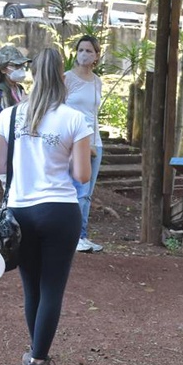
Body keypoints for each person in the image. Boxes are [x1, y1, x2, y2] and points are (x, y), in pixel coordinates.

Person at [0, 47, 93, 365]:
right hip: (60, 210)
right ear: (63, 76)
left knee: (31, 288)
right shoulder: (74, 118)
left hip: (20, 210)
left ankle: (38, 356)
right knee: (52, 289)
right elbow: (82, 175)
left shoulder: (12, 116)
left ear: (32, 76)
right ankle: (37, 362)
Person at [64, 35, 104, 253]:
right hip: (73, 141)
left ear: (97, 55)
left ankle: (82, 235)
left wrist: (96, 142)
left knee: (87, 192)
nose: (84, 55)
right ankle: (69, 236)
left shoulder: (97, 81)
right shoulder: (67, 78)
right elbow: (58, 109)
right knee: (74, 190)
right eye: (81, 50)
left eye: (89, 51)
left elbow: (94, 114)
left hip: (93, 140)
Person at [0, 44, 29, 154]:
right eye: (16, 66)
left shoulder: (19, 88)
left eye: (22, 65)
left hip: (18, 146)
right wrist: (21, 106)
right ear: (4, 69)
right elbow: (1, 122)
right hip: (3, 150)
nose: (21, 69)